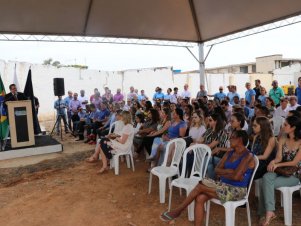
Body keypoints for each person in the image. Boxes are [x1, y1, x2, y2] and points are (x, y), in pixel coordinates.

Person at [160, 130, 255, 225]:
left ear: (240, 140)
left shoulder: (248, 156)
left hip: (237, 191)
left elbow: (236, 177)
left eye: (231, 138)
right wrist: (228, 171)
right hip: (223, 186)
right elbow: (217, 170)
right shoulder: (229, 153)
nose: (229, 140)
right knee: (200, 198)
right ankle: (182, 213)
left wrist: (228, 174)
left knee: (200, 186)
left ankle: (178, 210)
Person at [258, 116, 301, 226]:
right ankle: (269, 211)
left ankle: (265, 212)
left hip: (295, 174)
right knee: (266, 177)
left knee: (265, 182)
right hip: (281, 170)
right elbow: (279, 157)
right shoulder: (282, 139)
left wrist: (277, 164)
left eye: (286, 125)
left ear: (293, 128)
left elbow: (294, 163)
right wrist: (274, 162)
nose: (283, 126)